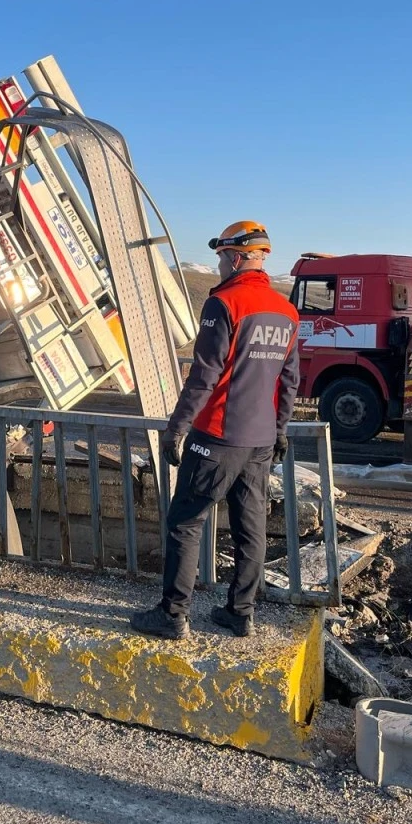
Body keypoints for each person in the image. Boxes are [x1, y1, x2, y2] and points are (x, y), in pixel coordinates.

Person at [130, 221, 301, 640]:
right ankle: (240, 613)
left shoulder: (224, 304)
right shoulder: (286, 311)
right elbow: (289, 379)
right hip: (260, 440)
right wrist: (280, 430)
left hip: (218, 435)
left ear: (237, 257)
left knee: (185, 523)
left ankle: (172, 615)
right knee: (250, 528)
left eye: (222, 257)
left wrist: (176, 429)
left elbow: (204, 377)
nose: (219, 264)